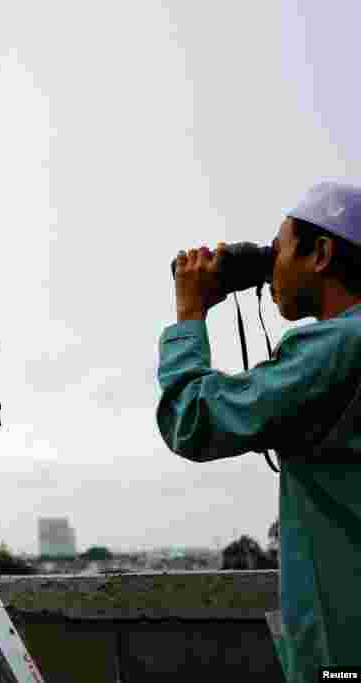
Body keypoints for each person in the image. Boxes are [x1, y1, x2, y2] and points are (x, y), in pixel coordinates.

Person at [157, 181, 361, 683]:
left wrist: (190, 313)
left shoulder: (336, 346)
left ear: (321, 253)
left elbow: (193, 422)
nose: (270, 266)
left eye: (279, 249)